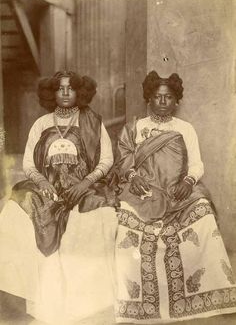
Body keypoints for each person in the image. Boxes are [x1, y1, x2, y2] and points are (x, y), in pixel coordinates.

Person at [114, 71, 236, 323]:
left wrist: (188, 182)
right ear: (148, 98)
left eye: (168, 97)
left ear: (176, 100)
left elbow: (197, 164)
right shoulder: (137, 128)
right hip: (144, 191)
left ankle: (213, 292)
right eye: (157, 96)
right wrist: (133, 176)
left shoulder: (185, 129)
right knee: (126, 219)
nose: (162, 101)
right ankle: (134, 301)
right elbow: (124, 159)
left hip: (177, 191)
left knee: (203, 212)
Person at [0, 71, 117, 324]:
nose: (65, 93)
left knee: (101, 215)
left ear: (80, 92)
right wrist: (41, 182)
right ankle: (38, 296)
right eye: (60, 88)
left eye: (70, 88)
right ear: (51, 93)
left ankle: (88, 300)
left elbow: (107, 160)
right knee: (14, 208)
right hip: (48, 187)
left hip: (83, 186)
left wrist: (86, 182)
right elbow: (29, 164)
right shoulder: (41, 124)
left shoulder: (93, 122)